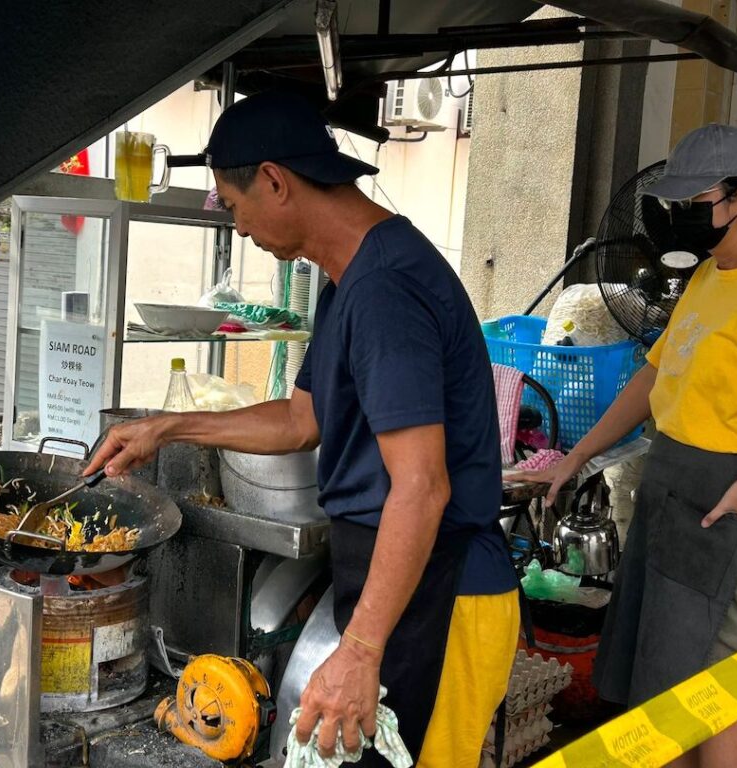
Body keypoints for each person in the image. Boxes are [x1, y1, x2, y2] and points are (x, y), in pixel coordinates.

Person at [84, 91, 519, 767]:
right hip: (401, 579)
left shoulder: (385, 290)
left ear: (275, 181)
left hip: (442, 592)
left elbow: (422, 487)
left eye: (233, 207)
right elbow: (300, 418)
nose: (242, 228)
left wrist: (361, 650)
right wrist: (165, 427)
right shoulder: (350, 281)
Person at [518, 123, 737, 768]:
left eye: (696, 202)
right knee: (663, 681)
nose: (681, 218)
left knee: (715, 688)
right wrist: (574, 459)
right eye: (675, 203)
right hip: (669, 488)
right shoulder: (711, 275)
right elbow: (653, 377)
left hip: (728, 500)